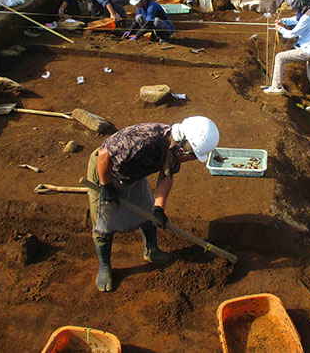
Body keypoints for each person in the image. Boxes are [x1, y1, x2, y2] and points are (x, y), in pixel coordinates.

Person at [87, 116, 220, 292]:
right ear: (183, 148)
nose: (193, 161)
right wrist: (105, 186)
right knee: (104, 224)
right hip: (106, 171)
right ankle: (105, 266)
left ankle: (151, 251)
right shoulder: (143, 141)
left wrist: (159, 207)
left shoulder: (173, 147)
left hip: (133, 174)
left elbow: (167, 176)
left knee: (148, 214)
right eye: (193, 157)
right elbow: (104, 155)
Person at [263, 0, 310, 114]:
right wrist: (285, 21)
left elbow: (292, 34)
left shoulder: (307, 18)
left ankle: (277, 86)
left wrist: (280, 28)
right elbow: (299, 19)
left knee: (279, 58)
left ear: (301, 1)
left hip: (309, 51)